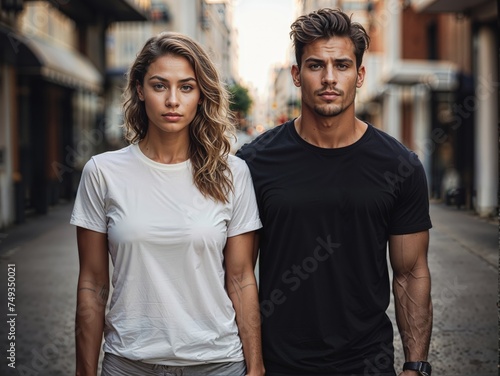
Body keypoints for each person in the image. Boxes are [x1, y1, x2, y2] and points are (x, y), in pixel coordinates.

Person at [236, 8, 433, 376]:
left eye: (342, 65)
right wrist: (253, 365)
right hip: (279, 365)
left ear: (359, 75)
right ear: (296, 75)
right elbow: (239, 273)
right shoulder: (253, 162)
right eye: (315, 66)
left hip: (367, 364)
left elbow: (410, 273)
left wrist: (416, 365)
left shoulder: (400, 166)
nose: (329, 78)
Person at [71, 32, 264, 376]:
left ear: (201, 95)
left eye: (186, 87)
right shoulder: (102, 172)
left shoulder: (233, 174)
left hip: (217, 362)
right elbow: (93, 283)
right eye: (160, 86)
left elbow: (241, 278)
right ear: (140, 90)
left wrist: (256, 367)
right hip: (129, 362)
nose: (172, 100)